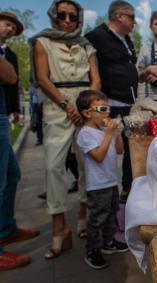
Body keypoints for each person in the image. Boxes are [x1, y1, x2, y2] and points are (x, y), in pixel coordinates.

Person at [30, 0, 101, 259]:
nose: (67, 20)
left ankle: (83, 213)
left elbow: (96, 78)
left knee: (87, 163)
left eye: (73, 16)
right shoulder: (42, 42)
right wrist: (65, 104)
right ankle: (59, 227)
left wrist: (85, 105)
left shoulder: (87, 46)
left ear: (79, 18)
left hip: (85, 105)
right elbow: (42, 78)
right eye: (62, 15)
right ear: (54, 16)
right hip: (56, 104)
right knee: (53, 165)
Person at [85, 0, 138, 202]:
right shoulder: (96, 37)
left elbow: (127, 69)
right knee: (106, 150)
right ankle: (103, 194)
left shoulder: (127, 40)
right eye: (132, 16)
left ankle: (127, 190)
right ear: (120, 16)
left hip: (129, 105)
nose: (135, 21)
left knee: (130, 147)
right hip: (109, 105)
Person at [0, 11, 40, 271]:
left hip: (2, 113)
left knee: (12, 175)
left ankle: (6, 228)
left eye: (13, 27)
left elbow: (12, 81)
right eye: (6, 24)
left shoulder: (7, 54)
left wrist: (13, 109)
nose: (10, 29)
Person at [76, 90, 127, 270]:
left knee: (111, 214)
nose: (107, 113)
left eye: (108, 108)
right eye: (102, 109)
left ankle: (109, 242)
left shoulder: (106, 130)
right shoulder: (85, 134)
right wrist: (108, 135)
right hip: (97, 186)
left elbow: (120, 150)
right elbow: (98, 155)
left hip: (112, 182)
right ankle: (93, 251)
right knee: (97, 219)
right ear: (87, 113)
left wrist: (117, 133)